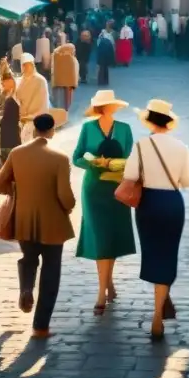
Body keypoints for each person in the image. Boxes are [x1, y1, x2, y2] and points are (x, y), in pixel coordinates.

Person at [0, 113, 75, 339]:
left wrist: (18, 192)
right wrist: (70, 206)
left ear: (34, 129)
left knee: (29, 258)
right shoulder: (59, 158)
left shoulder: (18, 153)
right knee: (51, 269)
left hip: (24, 218)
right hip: (53, 222)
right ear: (52, 131)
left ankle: (26, 288)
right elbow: (65, 196)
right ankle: (40, 326)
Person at [122, 99, 189, 340]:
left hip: (149, 203)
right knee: (169, 252)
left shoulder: (141, 146)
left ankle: (158, 307)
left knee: (152, 252)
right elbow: (187, 182)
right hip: (173, 203)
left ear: (150, 121)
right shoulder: (182, 147)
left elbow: (130, 175)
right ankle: (160, 305)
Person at [72, 90, 136, 315]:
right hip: (94, 190)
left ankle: (108, 283)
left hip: (118, 189)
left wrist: (115, 164)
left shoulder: (125, 129)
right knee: (100, 237)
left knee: (113, 236)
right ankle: (102, 292)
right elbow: (77, 157)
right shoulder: (88, 128)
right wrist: (94, 163)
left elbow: (131, 158)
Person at [15, 52, 50, 143]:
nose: (26, 67)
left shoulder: (40, 80)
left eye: (28, 65)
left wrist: (31, 117)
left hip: (35, 121)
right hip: (21, 120)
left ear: (33, 65)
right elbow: (17, 98)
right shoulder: (20, 81)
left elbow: (43, 103)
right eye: (24, 65)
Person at [0, 74, 21, 163]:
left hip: (12, 136)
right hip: (6, 135)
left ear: (10, 81)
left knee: (10, 162)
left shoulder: (17, 94)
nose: (2, 84)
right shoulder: (10, 94)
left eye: (3, 82)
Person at [51, 42, 78, 110]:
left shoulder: (56, 56)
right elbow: (75, 70)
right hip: (69, 84)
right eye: (73, 50)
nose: (74, 51)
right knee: (66, 101)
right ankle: (64, 112)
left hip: (58, 83)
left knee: (58, 100)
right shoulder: (71, 59)